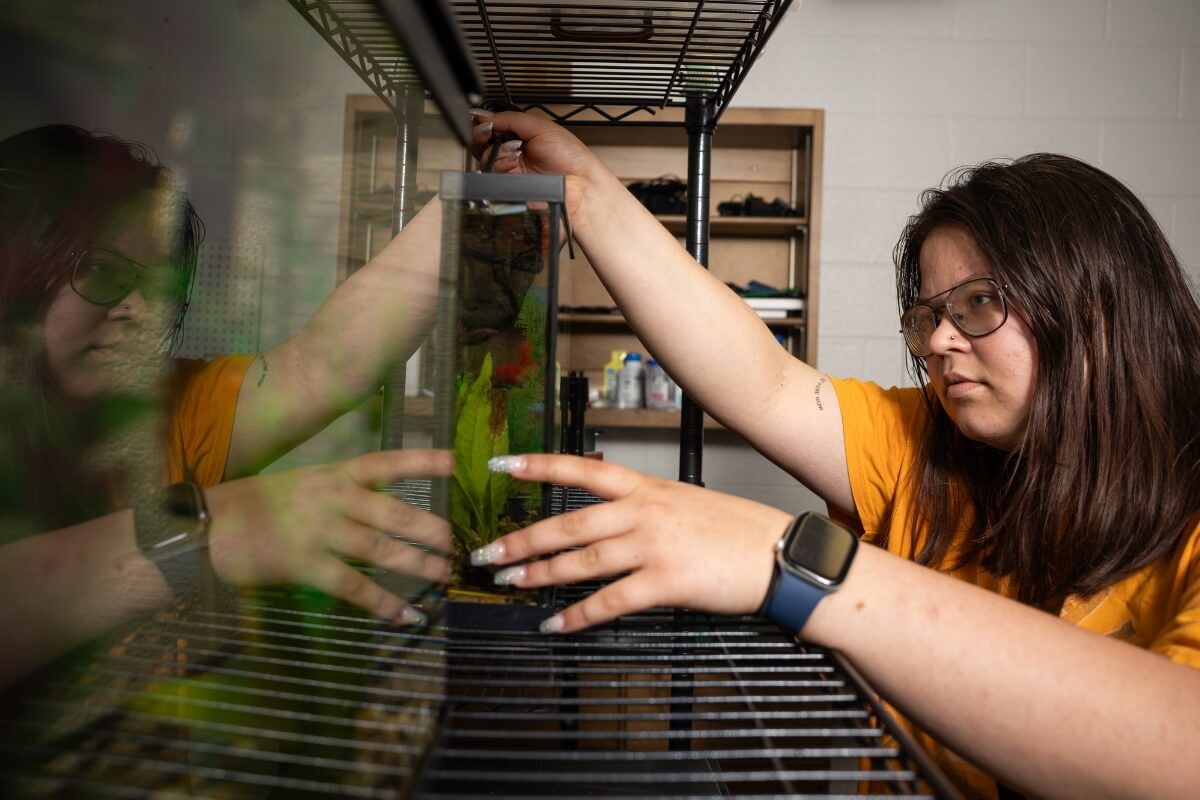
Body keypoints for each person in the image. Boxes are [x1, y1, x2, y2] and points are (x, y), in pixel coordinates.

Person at [462, 109, 1200, 799]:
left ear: (1098, 308)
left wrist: (797, 566)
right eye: (930, 316)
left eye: (979, 302)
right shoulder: (929, 449)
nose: (941, 341)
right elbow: (767, 382)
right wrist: (583, 193)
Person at [0, 125, 453, 688]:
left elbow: (322, 366)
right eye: (101, 270)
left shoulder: (164, 411)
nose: (144, 311)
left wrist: (469, 198)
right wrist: (208, 532)